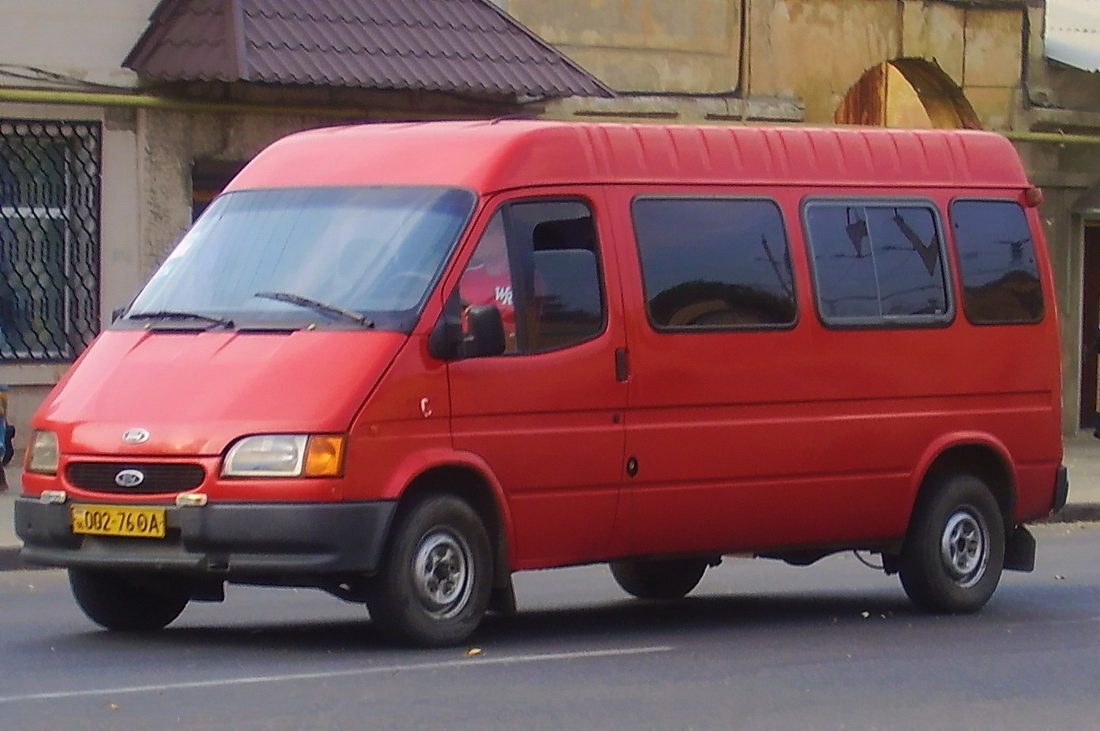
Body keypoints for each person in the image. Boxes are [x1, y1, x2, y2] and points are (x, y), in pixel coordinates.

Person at [459, 214, 517, 350]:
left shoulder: (525, 277)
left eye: (487, 232)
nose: (480, 239)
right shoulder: (465, 278)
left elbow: (534, 331)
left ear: (503, 236)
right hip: (464, 354)